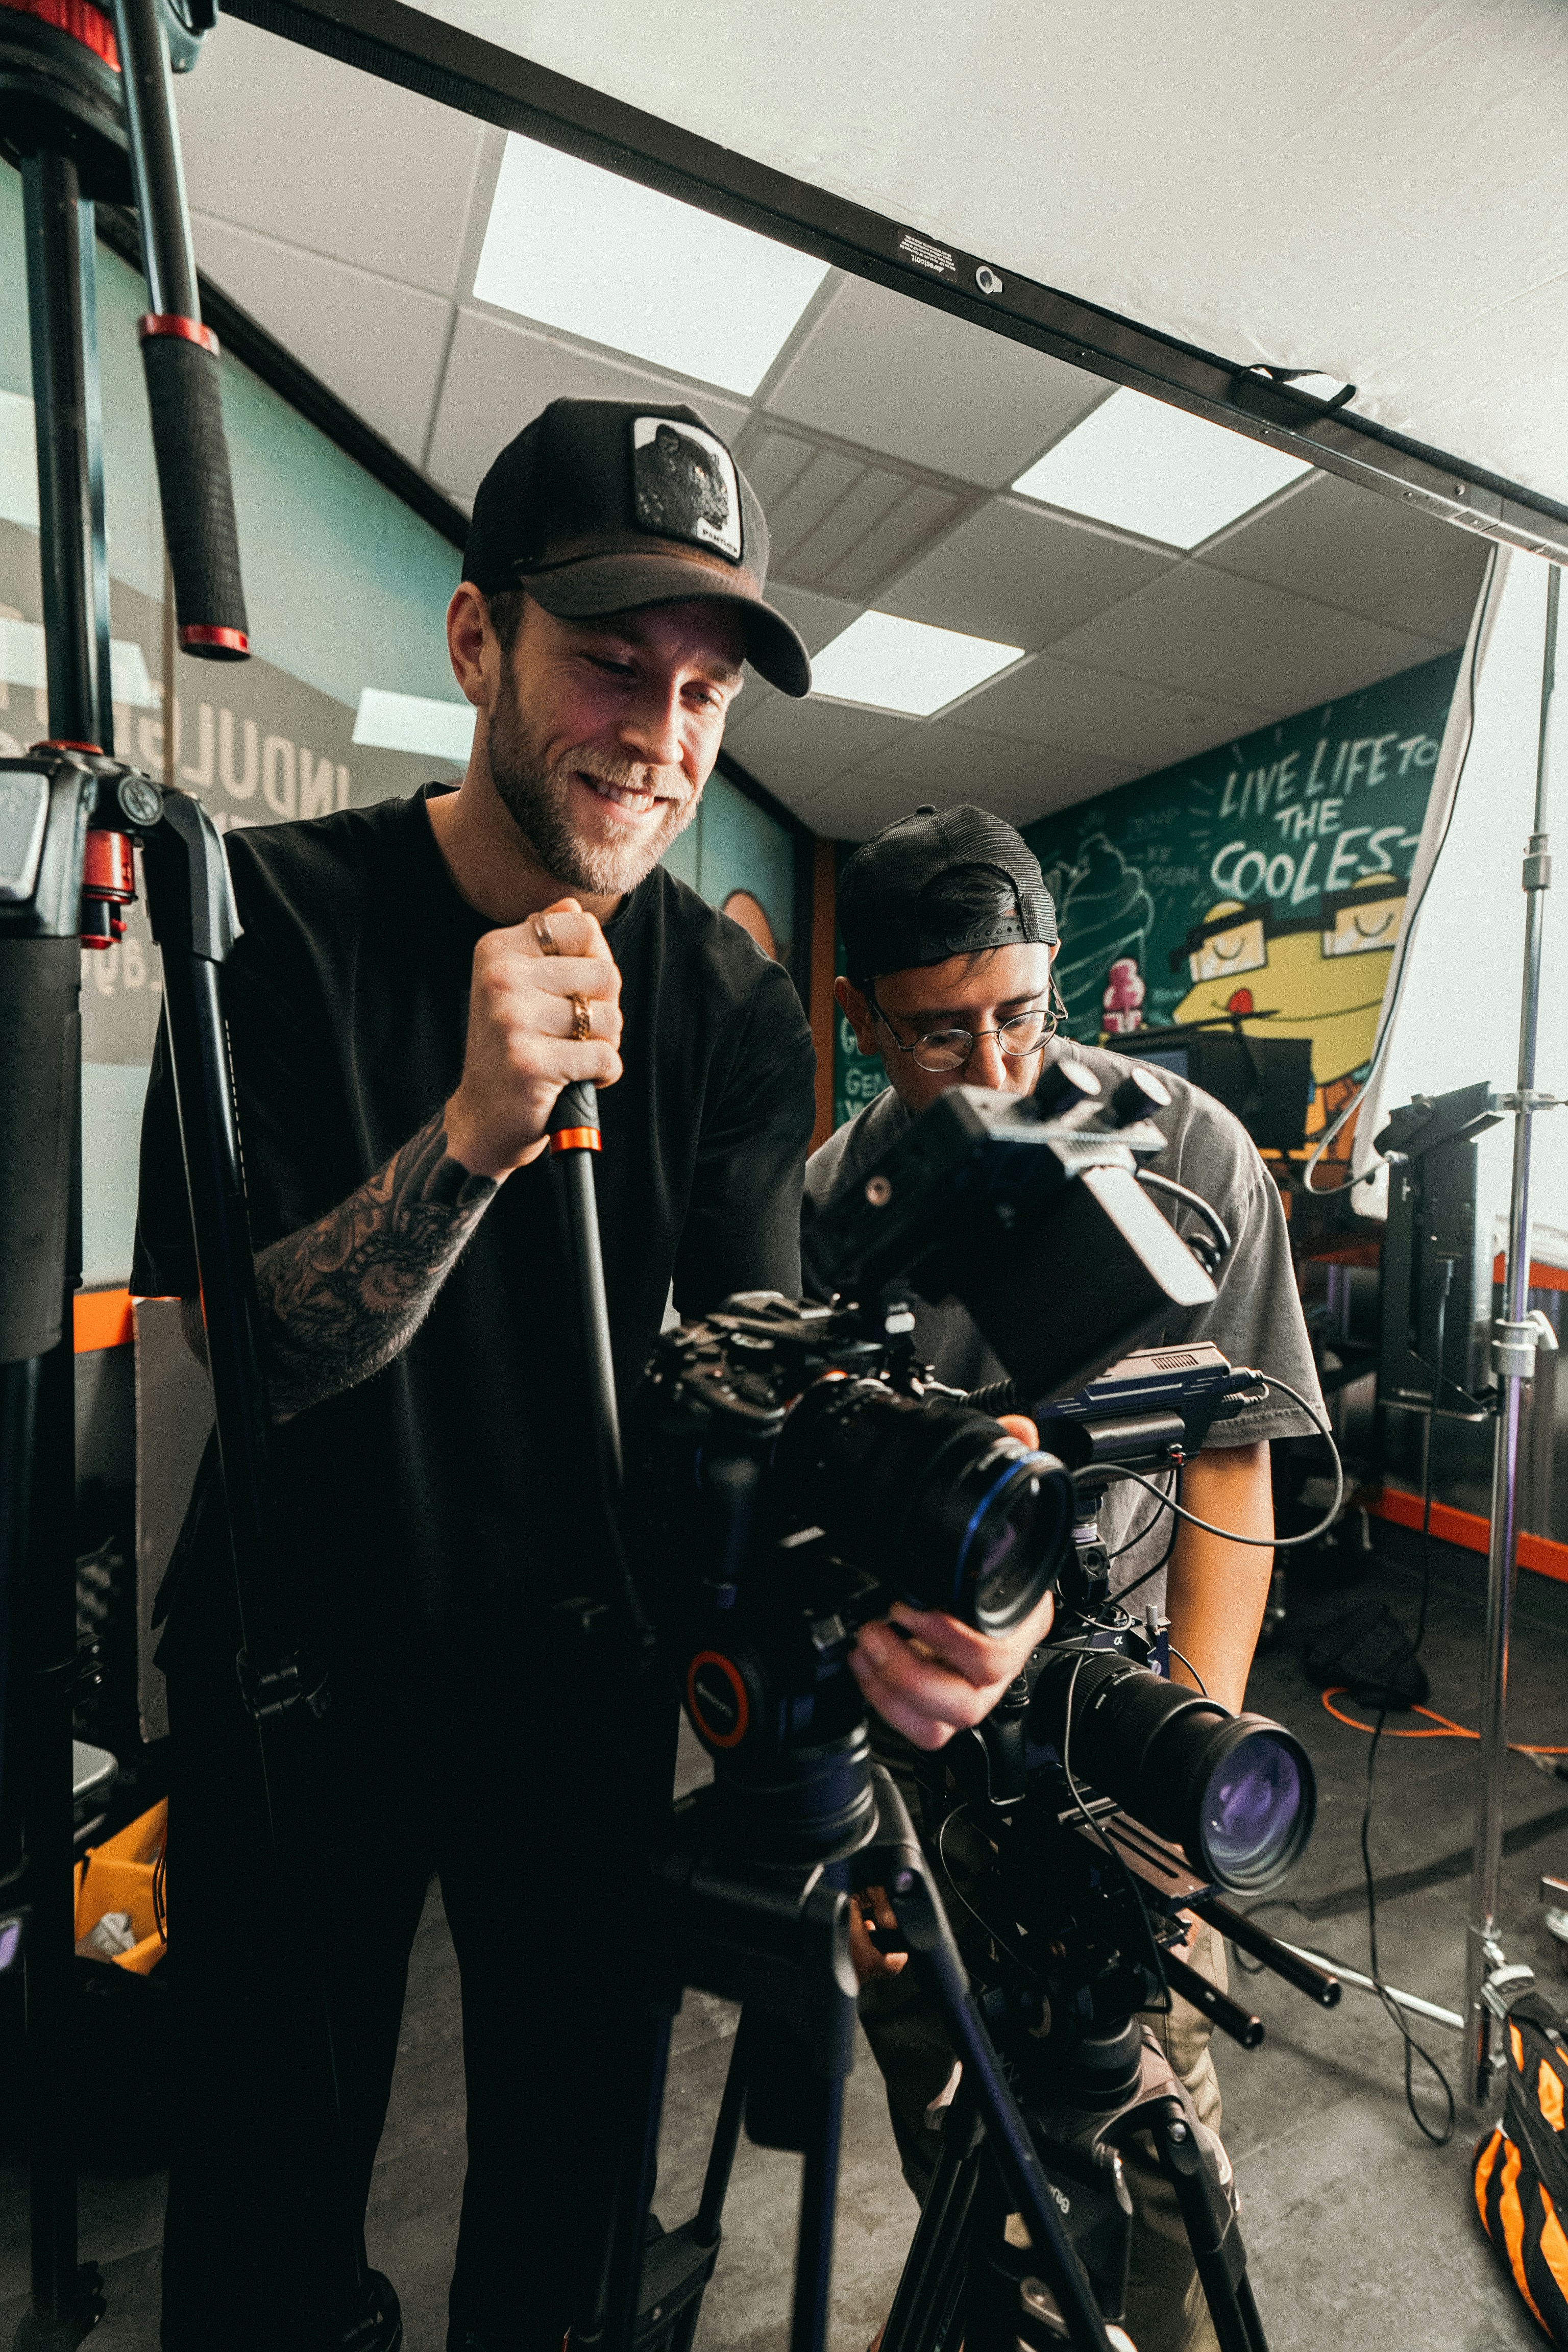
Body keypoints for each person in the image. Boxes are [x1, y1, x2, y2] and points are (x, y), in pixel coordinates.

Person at [131, 413, 1056, 2352]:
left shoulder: (730, 1008)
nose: (661, 735)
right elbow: (250, 1348)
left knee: (564, 2218)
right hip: (298, 1673)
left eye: (705, 693)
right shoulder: (272, 920)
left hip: (577, 1687)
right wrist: (471, 1138)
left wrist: (935, 1563)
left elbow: (756, 1375)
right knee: (263, 2227)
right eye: (613, 663)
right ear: (481, 640)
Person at [804, 804, 1324, 2352]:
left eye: (1021, 1014)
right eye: (938, 1033)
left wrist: (1191, 1761)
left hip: (1127, 1734)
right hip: (927, 1764)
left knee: (1161, 2172)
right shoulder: (826, 1214)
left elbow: (1233, 1460)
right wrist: (852, 1841)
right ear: (861, 1021)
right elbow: (814, 1545)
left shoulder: (1194, 1152)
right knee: (968, 2152)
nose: (995, 1070)